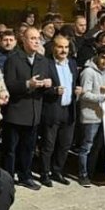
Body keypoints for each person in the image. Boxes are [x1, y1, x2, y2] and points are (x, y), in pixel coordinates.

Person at [2, 27, 50, 190]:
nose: (36, 41)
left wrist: (48, 85)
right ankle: (8, 178)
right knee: (11, 149)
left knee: (28, 149)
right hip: (15, 112)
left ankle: (25, 175)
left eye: (38, 38)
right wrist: (27, 84)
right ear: (23, 40)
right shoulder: (13, 60)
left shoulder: (43, 61)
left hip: (34, 113)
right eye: (32, 38)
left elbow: (47, 85)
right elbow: (8, 85)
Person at [39, 35, 80, 187]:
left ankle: (57, 171)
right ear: (53, 48)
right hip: (52, 110)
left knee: (64, 144)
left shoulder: (73, 64)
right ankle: (44, 174)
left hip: (69, 110)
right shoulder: (46, 64)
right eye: (60, 47)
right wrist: (53, 90)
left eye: (66, 47)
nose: (63, 50)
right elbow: (41, 88)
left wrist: (77, 90)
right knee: (48, 145)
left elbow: (75, 82)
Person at [77, 45, 105, 187]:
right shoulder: (88, 72)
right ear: (97, 56)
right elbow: (84, 94)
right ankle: (83, 175)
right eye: (103, 57)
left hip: (103, 114)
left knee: (97, 147)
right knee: (86, 146)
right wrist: (102, 97)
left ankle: (92, 172)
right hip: (90, 115)